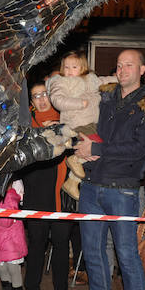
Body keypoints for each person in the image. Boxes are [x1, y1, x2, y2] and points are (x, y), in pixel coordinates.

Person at [67, 49, 145, 290]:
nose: (122, 70)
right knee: (93, 253)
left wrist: (96, 151)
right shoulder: (107, 97)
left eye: (129, 65)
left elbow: (138, 149)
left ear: (142, 69)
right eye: (119, 65)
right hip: (92, 185)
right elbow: (95, 132)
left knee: (127, 256)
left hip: (122, 189)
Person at [19, 81, 76, 290]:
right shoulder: (27, 126)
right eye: (36, 96)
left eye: (44, 94)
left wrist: (61, 131)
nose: (42, 99)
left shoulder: (67, 119)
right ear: (31, 103)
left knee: (62, 245)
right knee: (36, 245)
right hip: (36, 195)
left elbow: (78, 146)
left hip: (62, 195)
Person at [46, 51, 116, 199]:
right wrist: (78, 103)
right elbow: (57, 99)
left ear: (82, 67)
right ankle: (76, 159)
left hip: (91, 121)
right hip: (76, 122)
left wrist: (118, 78)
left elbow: (102, 80)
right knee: (96, 147)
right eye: (66, 67)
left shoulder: (89, 79)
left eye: (74, 67)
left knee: (96, 152)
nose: (69, 71)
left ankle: (72, 182)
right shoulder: (60, 81)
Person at [0, 180, 28, 290]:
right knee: (1, 267)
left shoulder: (11, 195)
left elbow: (5, 221)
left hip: (11, 239)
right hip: (0, 238)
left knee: (13, 268)